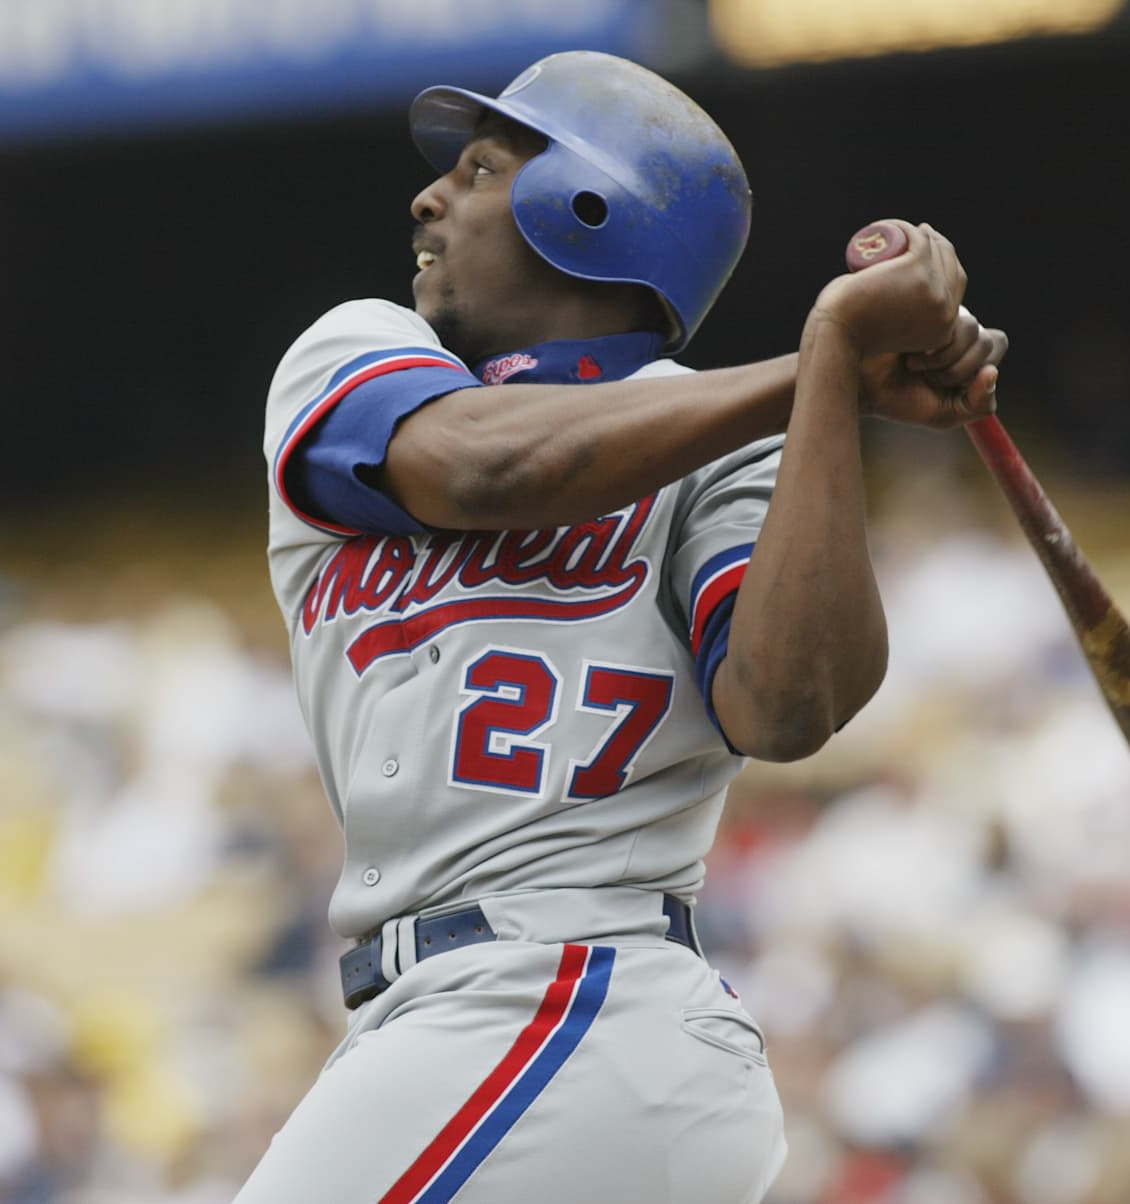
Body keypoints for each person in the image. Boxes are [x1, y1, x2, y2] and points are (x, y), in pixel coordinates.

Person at [250, 50, 1007, 1204]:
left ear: (588, 205)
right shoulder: (358, 350)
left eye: (481, 169)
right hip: (451, 1026)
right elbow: (485, 467)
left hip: (569, 997)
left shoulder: (737, 449)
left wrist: (826, 399)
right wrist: (826, 365)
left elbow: (788, 707)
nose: (428, 199)